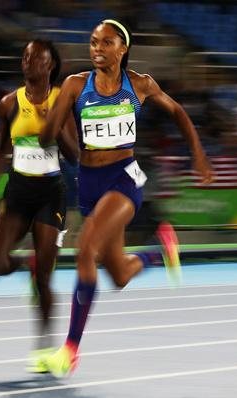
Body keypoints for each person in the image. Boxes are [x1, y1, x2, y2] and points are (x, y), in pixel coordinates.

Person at [39, 19, 214, 377]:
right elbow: (48, 136)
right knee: (118, 275)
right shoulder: (74, 85)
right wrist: (49, 115)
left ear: (122, 49)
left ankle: (70, 350)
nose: (97, 49)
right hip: (89, 181)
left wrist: (198, 153)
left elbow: (179, 112)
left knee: (84, 249)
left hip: (124, 178)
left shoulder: (139, 84)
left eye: (106, 43)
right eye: (92, 43)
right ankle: (157, 251)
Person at [0, 39, 78, 373]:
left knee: (46, 279)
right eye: (25, 57)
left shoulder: (62, 98)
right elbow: (0, 152)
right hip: (18, 190)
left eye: (37, 58)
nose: (29, 62)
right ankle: (25, 265)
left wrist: (56, 122)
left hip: (51, 193)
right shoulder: (8, 103)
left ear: (50, 65)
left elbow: (75, 154)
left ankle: (44, 346)